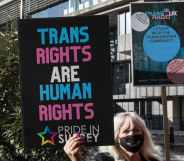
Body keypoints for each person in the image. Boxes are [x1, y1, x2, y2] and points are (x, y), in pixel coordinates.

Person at [63, 112, 160, 161]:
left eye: (136, 130)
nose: (132, 134)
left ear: (144, 134)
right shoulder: (103, 159)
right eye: (126, 131)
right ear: (117, 137)